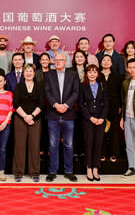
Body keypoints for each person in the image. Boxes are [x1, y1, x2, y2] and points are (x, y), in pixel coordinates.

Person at [44, 52, 79, 182]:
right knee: (53, 145)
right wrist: (55, 105)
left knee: (69, 145)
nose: (58, 62)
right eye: (56, 60)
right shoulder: (48, 75)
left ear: (65, 62)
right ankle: (52, 171)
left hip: (68, 114)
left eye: (61, 60)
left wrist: (66, 105)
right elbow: (47, 92)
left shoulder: (73, 74)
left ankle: (68, 171)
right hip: (53, 114)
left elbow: (76, 92)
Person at [13, 64, 44, 182]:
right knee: (19, 146)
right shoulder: (19, 86)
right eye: (26, 71)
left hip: (35, 119)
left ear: (34, 73)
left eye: (31, 71)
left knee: (34, 146)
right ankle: (18, 172)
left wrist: (32, 116)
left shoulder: (39, 86)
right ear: (23, 73)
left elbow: (41, 103)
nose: (28, 73)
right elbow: (15, 103)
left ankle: (35, 172)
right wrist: (25, 116)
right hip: (20, 119)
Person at [79, 64, 109, 182]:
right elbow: (81, 104)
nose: (92, 74)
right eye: (89, 72)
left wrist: (102, 118)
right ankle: (89, 168)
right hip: (88, 119)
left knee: (98, 144)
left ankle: (96, 168)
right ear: (86, 74)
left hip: (100, 119)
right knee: (88, 144)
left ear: (98, 74)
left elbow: (107, 103)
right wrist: (90, 117)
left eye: (94, 72)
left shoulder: (102, 85)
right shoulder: (83, 86)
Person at [100, 54, 122, 163]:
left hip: (114, 107)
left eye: (108, 60)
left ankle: (114, 153)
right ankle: (102, 153)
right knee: (101, 131)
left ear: (111, 63)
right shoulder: (97, 75)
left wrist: (119, 106)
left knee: (114, 131)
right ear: (100, 63)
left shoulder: (117, 77)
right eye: (104, 60)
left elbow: (120, 93)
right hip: (100, 107)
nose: (106, 62)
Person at [72, 50, 88, 159]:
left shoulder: (89, 71)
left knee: (84, 128)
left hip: (86, 104)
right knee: (74, 129)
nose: (79, 58)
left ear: (85, 58)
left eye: (81, 56)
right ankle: (75, 150)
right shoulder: (70, 71)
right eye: (77, 56)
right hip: (73, 104)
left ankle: (83, 151)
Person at [35, 52, 51, 157]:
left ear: (49, 61)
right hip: (39, 104)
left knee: (50, 128)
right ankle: (40, 148)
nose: (44, 61)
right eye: (42, 60)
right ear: (40, 61)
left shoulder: (53, 72)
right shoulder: (36, 73)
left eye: (46, 59)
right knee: (41, 128)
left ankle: (48, 148)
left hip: (51, 105)